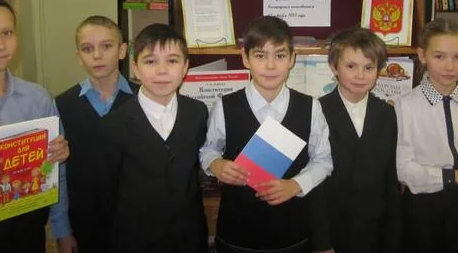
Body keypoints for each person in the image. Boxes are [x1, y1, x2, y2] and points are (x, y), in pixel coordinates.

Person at [200, 15, 333, 253]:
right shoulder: (225, 106)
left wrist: (296, 184)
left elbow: (323, 160)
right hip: (236, 233)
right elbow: (208, 149)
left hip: (292, 232)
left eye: (280, 56)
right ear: (245, 58)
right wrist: (216, 164)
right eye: (260, 56)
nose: (270, 66)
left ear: (292, 59)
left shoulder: (310, 107)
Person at [0, 0, 72, 253]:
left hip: (28, 219)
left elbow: (57, 174)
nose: (0, 45)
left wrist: (61, 229)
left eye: (7, 32)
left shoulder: (38, 98)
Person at [100, 23, 208, 253]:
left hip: (189, 238)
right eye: (150, 61)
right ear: (136, 68)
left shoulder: (198, 112)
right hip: (135, 240)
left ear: (185, 67)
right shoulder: (113, 124)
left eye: (172, 61)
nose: (162, 71)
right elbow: (105, 195)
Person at [394, 18, 458, 253]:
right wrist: (454, 177)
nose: (449, 67)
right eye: (439, 57)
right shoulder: (404, 106)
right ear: (422, 55)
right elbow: (403, 169)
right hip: (422, 206)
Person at [55, 15, 138, 253]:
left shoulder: (143, 100)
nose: (97, 55)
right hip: (84, 222)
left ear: (122, 51)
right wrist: (62, 230)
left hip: (137, 221)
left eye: (107, 46)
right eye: (87, 49)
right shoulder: (62, 105)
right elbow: (58, 173)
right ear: (79, 56)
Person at [314, 27, 401, 253]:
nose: (360, 76)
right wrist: (321, 242)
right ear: (334, 67)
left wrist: (393, 239)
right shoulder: (317, 111)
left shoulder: (387, 114)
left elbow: (390, 181)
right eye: (351, 66)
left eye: (369, 67)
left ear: (378, 70)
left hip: (376, 231)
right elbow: (314, 186)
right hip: (333, 229)